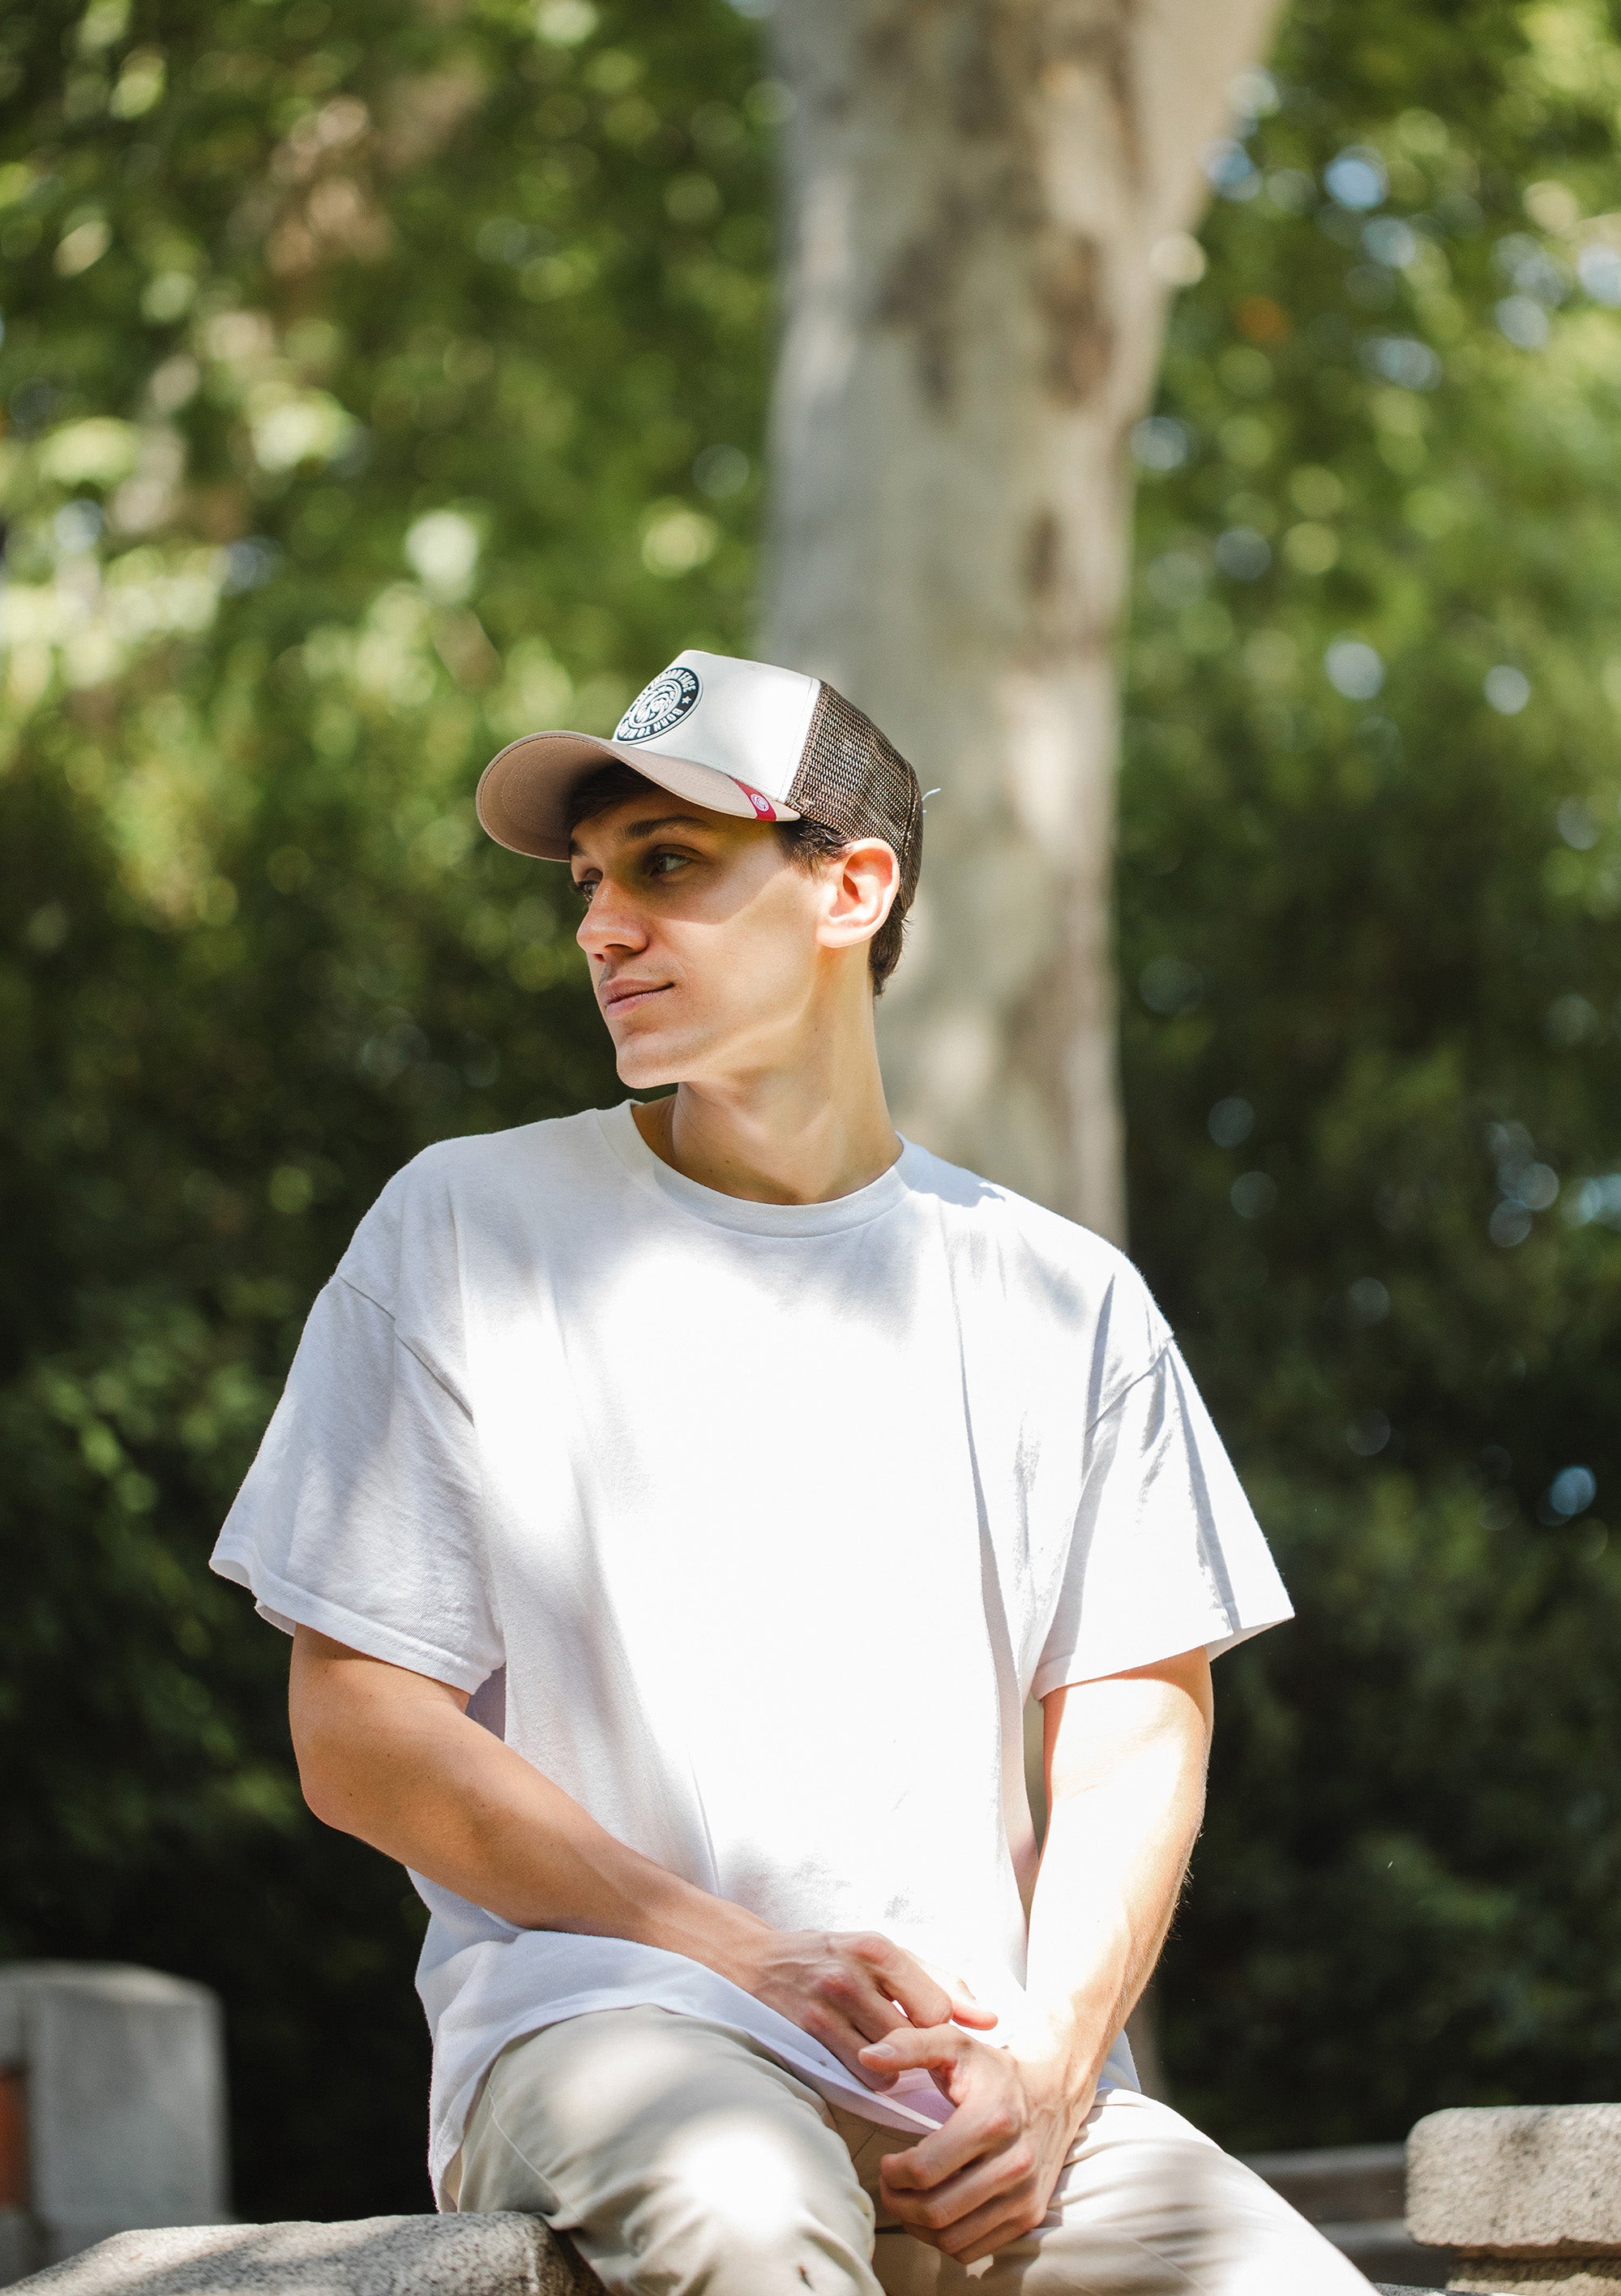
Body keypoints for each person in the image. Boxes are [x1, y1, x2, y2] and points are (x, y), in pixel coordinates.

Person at [212, 649, 1365, 2296]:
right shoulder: (466, 1227)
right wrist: (744, 1956)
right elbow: (360, 1732)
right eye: (591, 880)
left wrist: (1050, 2061)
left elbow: (1135, 1729)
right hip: (616, 2027)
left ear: (853, 888)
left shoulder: (1060, 1295)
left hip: (978, 2086)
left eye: (669, 863)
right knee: (754, 2213)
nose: (602, 925)